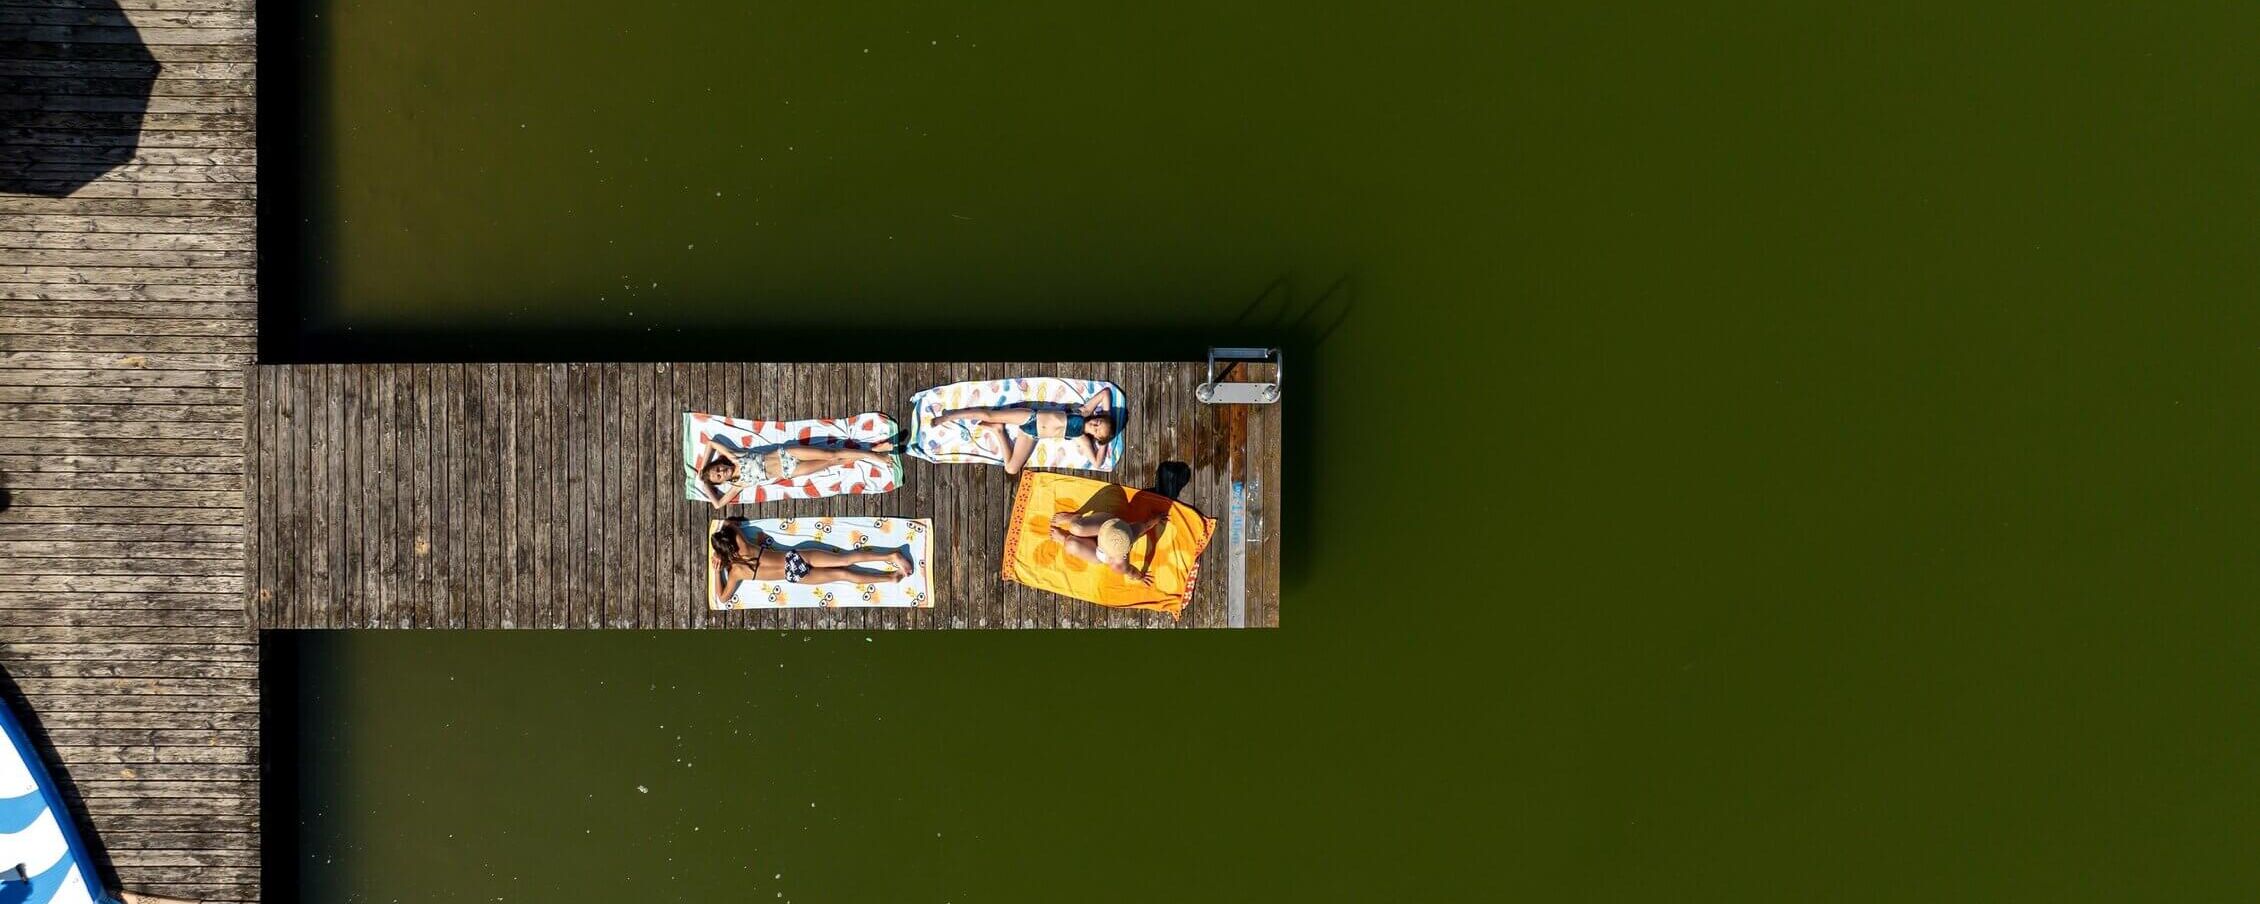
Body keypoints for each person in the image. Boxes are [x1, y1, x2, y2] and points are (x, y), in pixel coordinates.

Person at [710, 518, 914, 603]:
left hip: (793, 575)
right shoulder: (744, 545)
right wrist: (719, 548)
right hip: (795, 557)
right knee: (845, 558)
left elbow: (722, 598)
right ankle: (891, 556)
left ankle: (889, 578)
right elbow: (728, 522)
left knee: (844, 574)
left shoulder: (736, 572)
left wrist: (717, 570)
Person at [935, 393, 1116, 476]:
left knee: (1011, 469)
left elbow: (1098, 462)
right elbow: (1105, 393)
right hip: (1030, 417)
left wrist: (1104, 441)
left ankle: (998, 431)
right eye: (1098, 422)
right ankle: (950, 415)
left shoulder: (1082, 439)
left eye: (1097, 430)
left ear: (1096, 437)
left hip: (1031, 435)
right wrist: (1108, 414)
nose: (1095, 425)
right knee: (989, 414)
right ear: (1097, 416)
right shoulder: (1084, 412)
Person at [694, 436, 894, 508]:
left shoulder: (733, 456)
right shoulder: (738, 485)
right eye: (719, 476)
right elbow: (718, 504)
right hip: (791, 471)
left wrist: (703, 468)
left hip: (785, 454)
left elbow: (711, 443)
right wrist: (704, 482)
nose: (722, 472)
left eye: (717, 469)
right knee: (833, 464)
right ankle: (873, 452)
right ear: (721, 482)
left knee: (831, 455)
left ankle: (875, 457)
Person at [1048, 509, 1166, 585]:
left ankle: (1064, 538)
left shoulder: (1119, 565)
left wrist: (1140, 577)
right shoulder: (1131, 531)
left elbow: (1131, 571)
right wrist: (1157, 519)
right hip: (1105, 525)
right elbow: (1147, 525)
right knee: (1076, 527)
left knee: (1071, 545)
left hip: (1100, 550)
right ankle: (1073, 517)